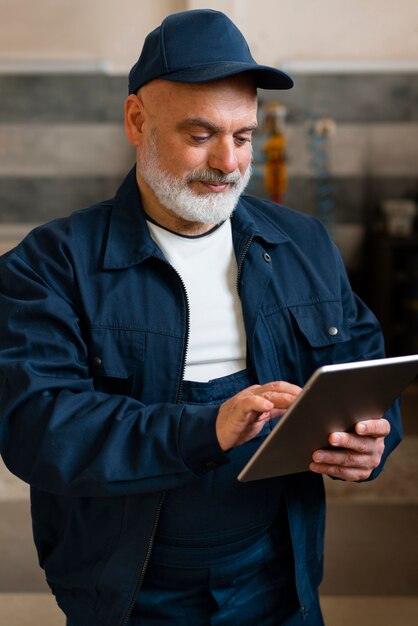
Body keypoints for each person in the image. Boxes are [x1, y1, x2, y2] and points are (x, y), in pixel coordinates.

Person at [0, 9, 400, 626]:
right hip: (132, 593)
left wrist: (373, 439)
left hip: (280, 579)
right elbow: (38, 426)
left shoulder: (304, 243)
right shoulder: (50, 266)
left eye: (242, 137)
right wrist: (205, 429)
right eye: (199, 134)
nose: (228, 161)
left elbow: (366, 368)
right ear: (137, 121)